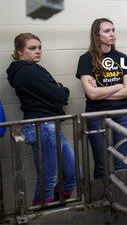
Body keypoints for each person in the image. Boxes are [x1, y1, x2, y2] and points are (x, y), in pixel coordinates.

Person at [7, 33, 76, 205]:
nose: (38, 51)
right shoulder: (28, 71)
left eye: (39, 48)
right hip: (42, 126)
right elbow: (58, 96)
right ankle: (44, 216)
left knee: (73, 174)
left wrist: (59, 91)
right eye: (32, 48)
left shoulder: (31, 70)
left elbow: (55, 95)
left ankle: (52, 210)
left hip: (48, 125)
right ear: (19, 51)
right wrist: (63, 90)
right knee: (47, 181)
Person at [76, 18, 127, 179]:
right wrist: (118, 86)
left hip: (122, 115)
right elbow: (92, 95)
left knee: (120, 163)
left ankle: (119, 199)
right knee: (101, 165)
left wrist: (102, 91)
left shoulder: (122, 57)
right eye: (107, 31)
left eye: (113, 30)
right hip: (96, 116)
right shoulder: (86, 59)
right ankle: (102, 201)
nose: (112, 34)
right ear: (97, 35)